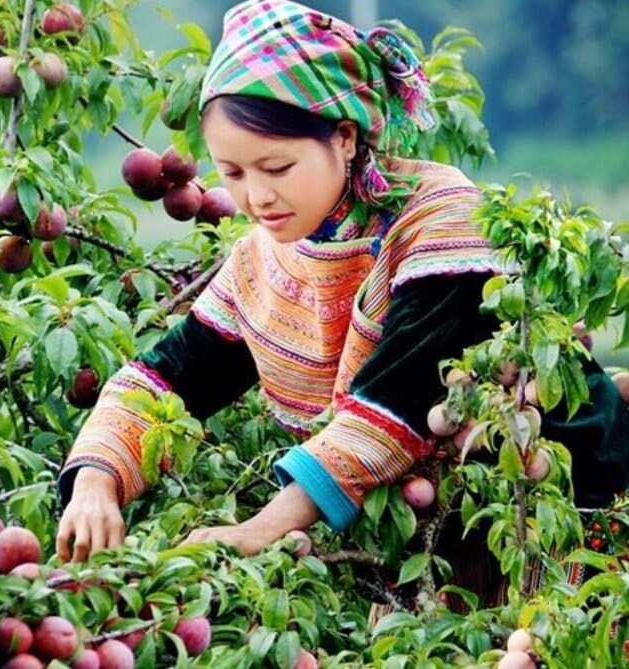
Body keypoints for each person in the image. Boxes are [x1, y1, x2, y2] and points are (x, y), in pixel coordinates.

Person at [54, 0, 629, 586]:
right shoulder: (262, 258)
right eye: (232, 174)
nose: (256, 197)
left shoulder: (440, 222)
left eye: (276, 168)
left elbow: (395, 403)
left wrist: (264, 526)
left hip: (573, 515)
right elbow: (167, 379)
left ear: (346, 138)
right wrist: (97, 481)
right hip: (436, 543)